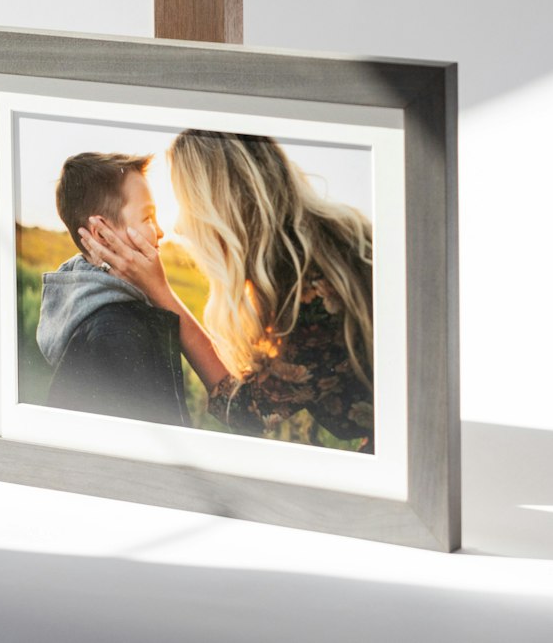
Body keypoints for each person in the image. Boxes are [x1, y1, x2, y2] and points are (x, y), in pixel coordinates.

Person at [80, 131, 375, 451]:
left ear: (220, 204)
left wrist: (161, 293)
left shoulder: (312, 297)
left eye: (187, 204)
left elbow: (246, 410)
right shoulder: (323, 251)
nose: (178, 226)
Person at [36, 152, 188, 427]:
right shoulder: (117, 332)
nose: (161, 231)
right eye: (148, 217)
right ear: (101, 234)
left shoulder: (96, 313)